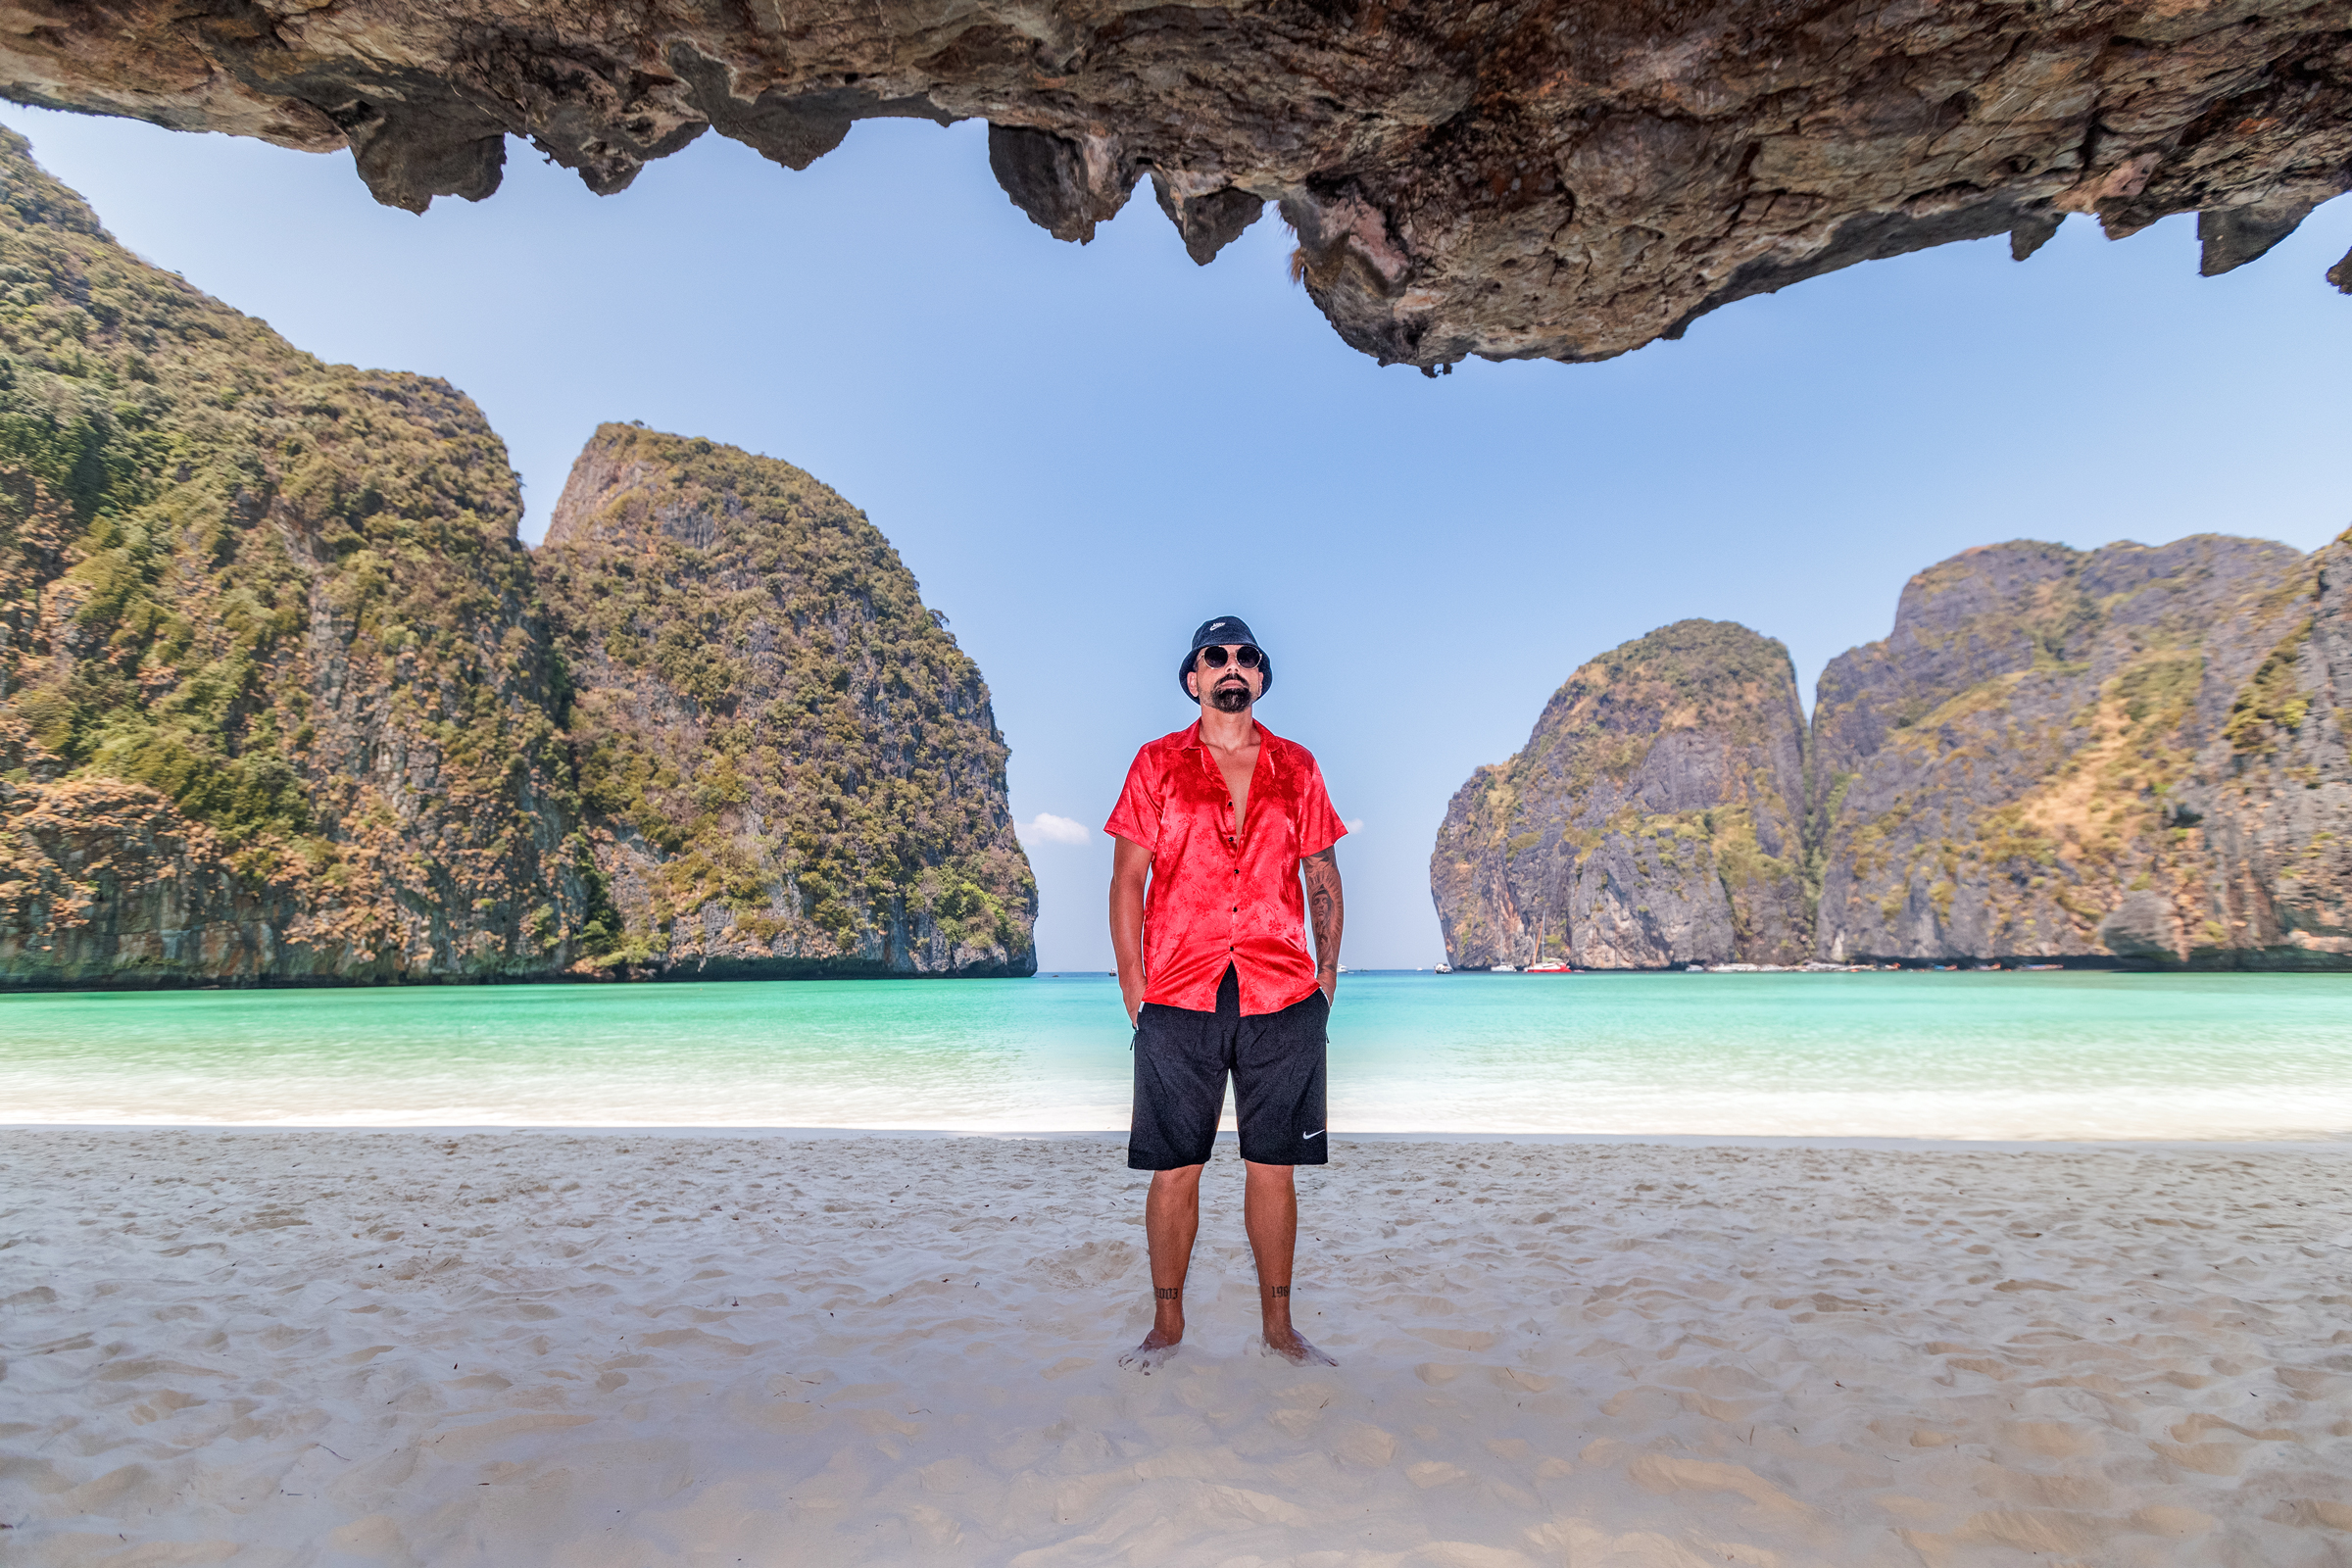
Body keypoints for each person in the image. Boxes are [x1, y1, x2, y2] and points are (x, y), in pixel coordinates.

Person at [1103, 614, 1348, 1368]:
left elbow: (1323, 877)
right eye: (1217, 657)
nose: (1232, 667)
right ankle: (1168, 1322)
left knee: (1273, 1166)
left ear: (1262, 678)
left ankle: (1279, 1325)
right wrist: (1133, 986)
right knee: (1178, 1166)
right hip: (1178, 990)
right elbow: (1127, 880)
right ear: (1194, 678)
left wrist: (1327, 978)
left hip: (1281, 990)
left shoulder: (1297, 767)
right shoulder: (1156, 764)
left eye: (1247, 658)